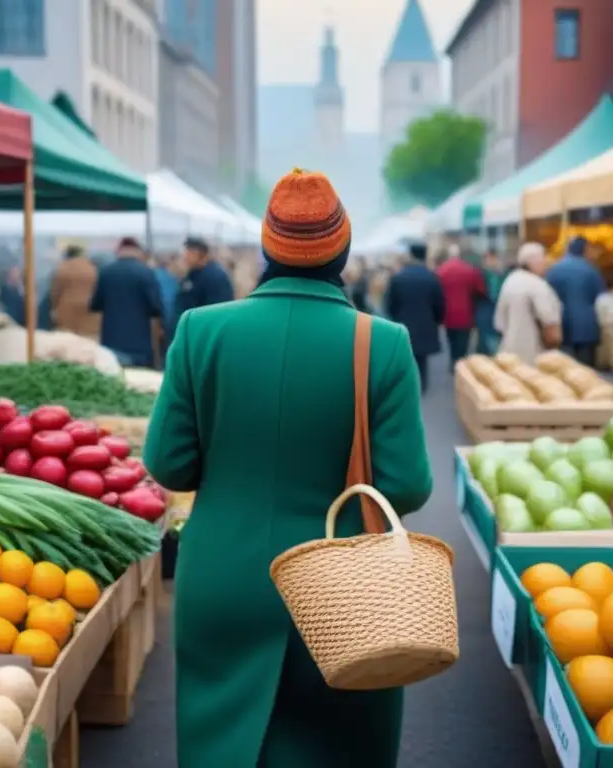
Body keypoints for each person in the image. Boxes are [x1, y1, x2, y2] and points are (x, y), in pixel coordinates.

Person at [142, 168, 432, 767]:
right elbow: (406, 484)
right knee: (339, 745)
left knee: (222, 742)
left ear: (268, 249)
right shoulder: (383, 342)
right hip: (343, 583)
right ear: (343, 252)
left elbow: (169, 464)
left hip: (222, 575)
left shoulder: (201, 331)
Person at [88, 237, 163, 368]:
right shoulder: (146, 273)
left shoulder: (106, 272)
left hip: (112, 340)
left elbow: (95, 304)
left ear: (118, 251)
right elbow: (155, 306)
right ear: (137, 252)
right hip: (139, 343)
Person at [386, 241, 445, 393]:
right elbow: (439, 304)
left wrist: (394, 320)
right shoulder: (431, 277)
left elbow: (390, 304)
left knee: (405, 357)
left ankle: (408, 385)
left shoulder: (398, 277)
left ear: (411, 255)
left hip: (403, 323)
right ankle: (422, 384)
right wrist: (437, 320)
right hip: (426, 323)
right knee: (422, 359)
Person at [495, 242, 562, 363]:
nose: (546, 264)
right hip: (535, 356)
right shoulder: (537, 285)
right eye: (543, 259)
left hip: (509, 353)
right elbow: (551, 325)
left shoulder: (510, 280)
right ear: (532, 262)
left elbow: (499, 323)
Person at [546, 235, 607, 366]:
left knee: (564, 368)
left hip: (563, 323)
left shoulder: (554, 269)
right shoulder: (591, 269)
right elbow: (600, 296)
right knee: (586, 370)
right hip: (587, 326)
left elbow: (549, 296)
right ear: (584, 249)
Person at [436, 243, 485, 368]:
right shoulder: (470, 270)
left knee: (451, 341)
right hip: (466, 313)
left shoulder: (441, 271)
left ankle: (453, 360)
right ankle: (460, 364)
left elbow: (435, 292)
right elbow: (480, 290)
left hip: (447, 314)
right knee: (463, 342)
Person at [173, 237, 234, 327]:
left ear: (200, 254)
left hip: (204, 331)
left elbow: (221, 310)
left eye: (190, 253)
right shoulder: (191, 275)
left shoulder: (216, 277)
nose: (185, 257)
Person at [50, 245, 99, 339]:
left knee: (68, 343)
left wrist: (54, 309)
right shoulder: (92, 268)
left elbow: (55, 293)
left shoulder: (62, 269)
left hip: (67, 313)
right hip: (89, 312)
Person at [475, 248, 506, 354]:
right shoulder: (480, 274)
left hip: (496, 312)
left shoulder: (502, 274)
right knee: (486, 342)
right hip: (485, 312)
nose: (489, 261)